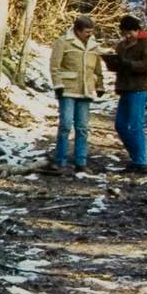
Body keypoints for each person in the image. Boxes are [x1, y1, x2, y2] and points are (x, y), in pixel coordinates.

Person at [47, 16, 106, 175]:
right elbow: (55, 66)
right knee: (65, 125)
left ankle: (81, 162)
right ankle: (60, 161)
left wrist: (100, 85)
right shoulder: (63, 42)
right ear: (77, 31)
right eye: (87, 32)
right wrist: (58, 85)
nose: (89, 35)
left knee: (82, 127)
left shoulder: (93, 45)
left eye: (91, 32)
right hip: (67, 90)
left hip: (86, 91)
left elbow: (97, 68)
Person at [102, 14, 147, 174]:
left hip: (139, 89)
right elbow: (119, 64)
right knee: (120, 126)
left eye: (130, 32)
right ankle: (137, 157)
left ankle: (141, 161)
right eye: (124, 32)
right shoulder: (121, 46)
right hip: (124, 88)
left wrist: (130, 64)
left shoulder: (146, 43)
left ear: (137, 30)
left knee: (135, 126)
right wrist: (113, 63)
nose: (127, 36)